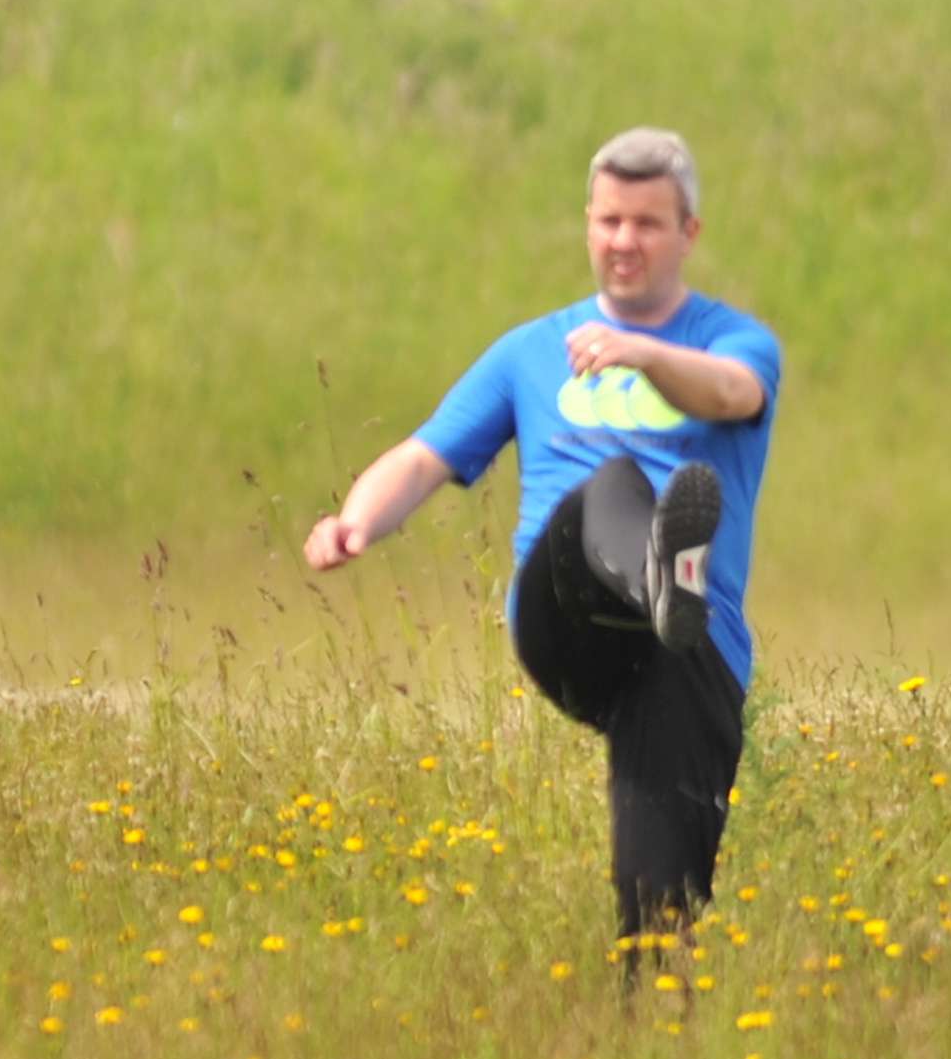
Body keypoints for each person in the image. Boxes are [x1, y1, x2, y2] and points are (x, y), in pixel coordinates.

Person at [302, 128, 781, 957]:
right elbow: (423, 456)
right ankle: (658, 570)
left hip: (688, 644)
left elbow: (734, 395)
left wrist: (644, 354)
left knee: (661, 893)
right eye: (609, 221)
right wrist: (355, 520)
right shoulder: (531, 351)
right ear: (587, 224)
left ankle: (656, 1006)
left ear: (689, 233)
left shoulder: (732, 342)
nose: (624, 240)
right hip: (568, 612)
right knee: (611, 490)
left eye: (647, 224)